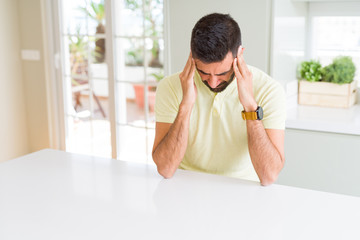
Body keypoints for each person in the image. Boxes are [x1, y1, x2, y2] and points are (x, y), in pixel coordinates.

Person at [152, 13, 286, 186]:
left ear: (240, 55)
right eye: (204, 73)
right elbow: (165, 169)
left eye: (222, 73)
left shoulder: (269, 90)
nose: (213, 82)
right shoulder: (170, 87)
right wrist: (186, 105)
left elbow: (269, 176)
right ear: (192, 57)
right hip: (185, 188)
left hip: (243, 189)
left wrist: (250, 107)